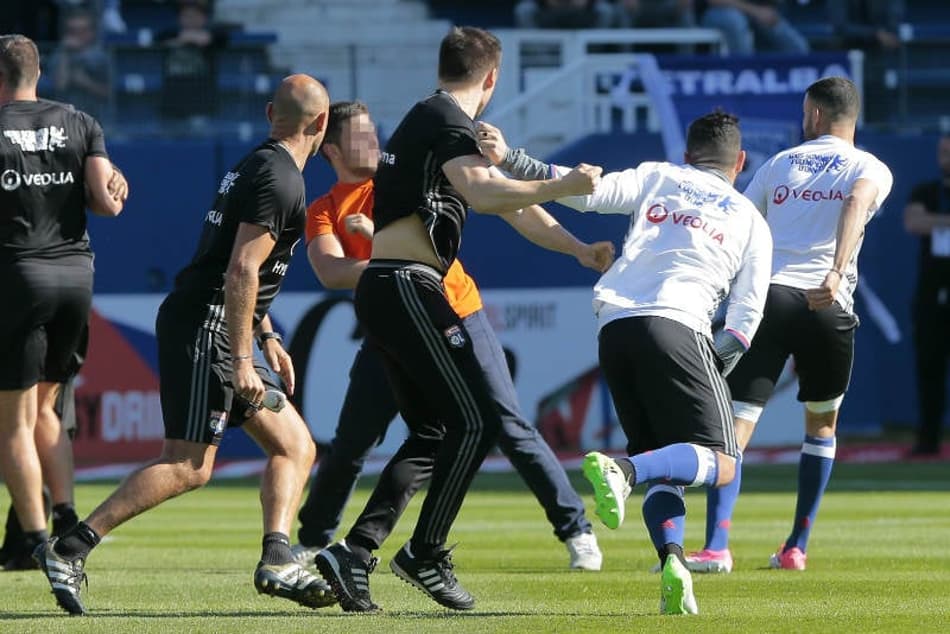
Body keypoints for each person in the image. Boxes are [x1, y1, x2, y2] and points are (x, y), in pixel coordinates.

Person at [313, 26, 601, 613]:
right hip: (409, 287)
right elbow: (487, 192)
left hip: (391, 288)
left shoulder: (438, 122)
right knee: (477, 420)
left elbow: (507, 203)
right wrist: (564, 182)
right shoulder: (445, 121)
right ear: (492, 78)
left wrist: (575, 248)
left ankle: (356, 551)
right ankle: (425, 552)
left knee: (435, 430)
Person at [36, 74, 334, 616]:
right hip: (210, 328)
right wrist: (243, 357)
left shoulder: (257, 163)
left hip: (223, 325)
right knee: (188, 465)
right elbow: (242, 268)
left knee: (296, 446)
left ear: (271, 113)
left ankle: (278, 558)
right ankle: (69, 548)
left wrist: (265, 335)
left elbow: (237, 263)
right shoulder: (282, 178)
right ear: (323, 124)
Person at [480, 110, 773, 614]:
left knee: (669, 464)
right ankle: (624, 472)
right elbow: (746, 317)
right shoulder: (749, 217)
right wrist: (716, 366)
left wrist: (511, 158)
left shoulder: (659, 175)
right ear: (740, 162)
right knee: (722, 463)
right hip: (679, 326)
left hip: (615, 329)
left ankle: (674, 566)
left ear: (687, 155)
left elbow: (579, 191)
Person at [683, 77, 893, 574]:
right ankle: (796, 545)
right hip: (827, 305)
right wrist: (836, 270)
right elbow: (857, 203)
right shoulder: (870, 167)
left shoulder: (779, 164)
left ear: (815, 116)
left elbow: (739, 220)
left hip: (770, 300)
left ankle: (716, 546)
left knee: (734, 428)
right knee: (822, 425)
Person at [0, 33, 126, 576]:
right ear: (40, 71)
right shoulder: (80, 120)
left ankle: (32, 541)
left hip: (17, 276)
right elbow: (107, 204)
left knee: (13, 421)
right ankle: (67, 516)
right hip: (77, 276)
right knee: (48, 409)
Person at [903, 134, 950, 457]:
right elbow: (914, 221)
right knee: (929, 368)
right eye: (942, 151)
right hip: (931, 294)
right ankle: (928, 440)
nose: (945, 156)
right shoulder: (927, 191)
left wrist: (939, 224)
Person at [156, 0, 229, 125]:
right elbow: (158, 37)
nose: (190, 19)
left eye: (195, 16)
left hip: (201, 104)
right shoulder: (169, 34)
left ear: (204, 18)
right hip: (172, 103)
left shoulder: (213, 37)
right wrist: (184, 37)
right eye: (186, 16)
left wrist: (205, 38)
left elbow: (223, 37)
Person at [50, 8, 111, 122]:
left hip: (96, 120)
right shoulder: (59, 55)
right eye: (72, 31)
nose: (77, 35)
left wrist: (86, 83)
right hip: (65, 121)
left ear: (92, 32)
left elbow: (111, 94)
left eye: (82, 30)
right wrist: (65, 52)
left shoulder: (102, 57)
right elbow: (59, 85)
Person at [698, 0, 809, 55]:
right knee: (735, 21)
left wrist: (763, 12)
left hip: (754, 12)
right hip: (719, 12)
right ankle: (743, 73)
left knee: (798, 46)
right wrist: (755, 11)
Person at [515, 0, 615, 29]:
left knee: (605, 10)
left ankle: (589, 56)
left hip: (582, 13)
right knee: (525, 9)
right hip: (548, 12)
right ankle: (546, 61)